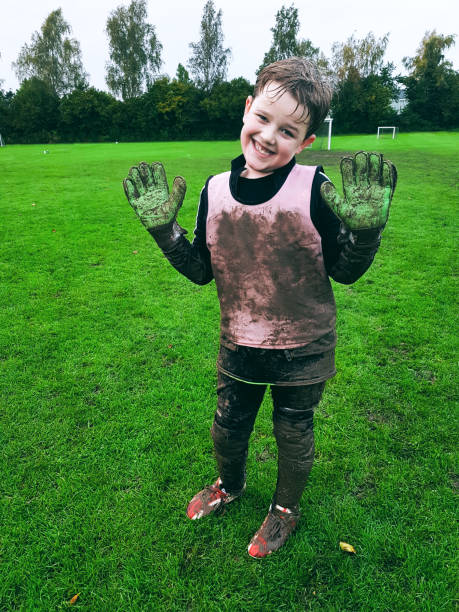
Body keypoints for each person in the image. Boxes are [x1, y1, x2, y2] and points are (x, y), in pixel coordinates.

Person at [123, 57, 397, 559]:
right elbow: (202, 269)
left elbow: (346, 271)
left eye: (288, 130)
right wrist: (165, 232)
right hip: (239, 342)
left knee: (293, 430)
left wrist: (366, 233)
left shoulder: (314, 189)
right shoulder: (214, 191)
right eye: (264, 118)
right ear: (248, 109)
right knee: (228, 424)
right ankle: (229, 484)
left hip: (303, 347)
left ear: (306, 141)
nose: (270, 136)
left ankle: (285, 511)